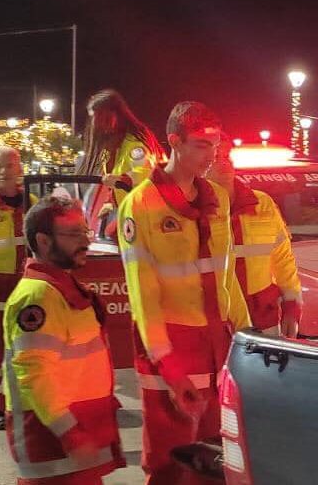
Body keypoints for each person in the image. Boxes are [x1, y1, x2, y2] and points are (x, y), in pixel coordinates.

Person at [117, 102, 250, 485]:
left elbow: (226, 279)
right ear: (174, 142)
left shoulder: (217, 199)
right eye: (201, 145)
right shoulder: (140, 205)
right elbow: (143, 297)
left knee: (215, 459)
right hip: (170, 348)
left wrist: (247, 337)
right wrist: (170, 367)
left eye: (215, 145)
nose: (211, 155)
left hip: (216, 346)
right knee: (167, 462)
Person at [3, 194, 124, 483]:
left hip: (70, 444)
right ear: (43, 241)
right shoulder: (39, 296)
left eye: (85, 231)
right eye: (73, 234)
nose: (85, 241)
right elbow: (34, 374)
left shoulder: (58, 289)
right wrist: (69, 432)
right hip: (55, 448)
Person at [206, 136, 302, 337]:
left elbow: (283, 258)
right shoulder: (194, 209)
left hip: (263, 319)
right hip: (217, 321)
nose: (223, 161)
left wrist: (292, 307)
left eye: (226, 154)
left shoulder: (262, 203)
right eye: (215, 156)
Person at [0, 146, 36, 431]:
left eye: (10, 164)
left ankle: (24, 403)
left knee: (24, 352)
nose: (4, 170)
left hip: (24, 291)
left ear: (20, 168)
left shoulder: (32, 200)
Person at [78, 89, 166, 225]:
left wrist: (124, 179)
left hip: (136, 217)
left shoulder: (134, 144)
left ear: (114, 116)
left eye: (99, 117)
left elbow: (146, 171)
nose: (95, 124)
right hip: (124, 215)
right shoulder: (113, 146)